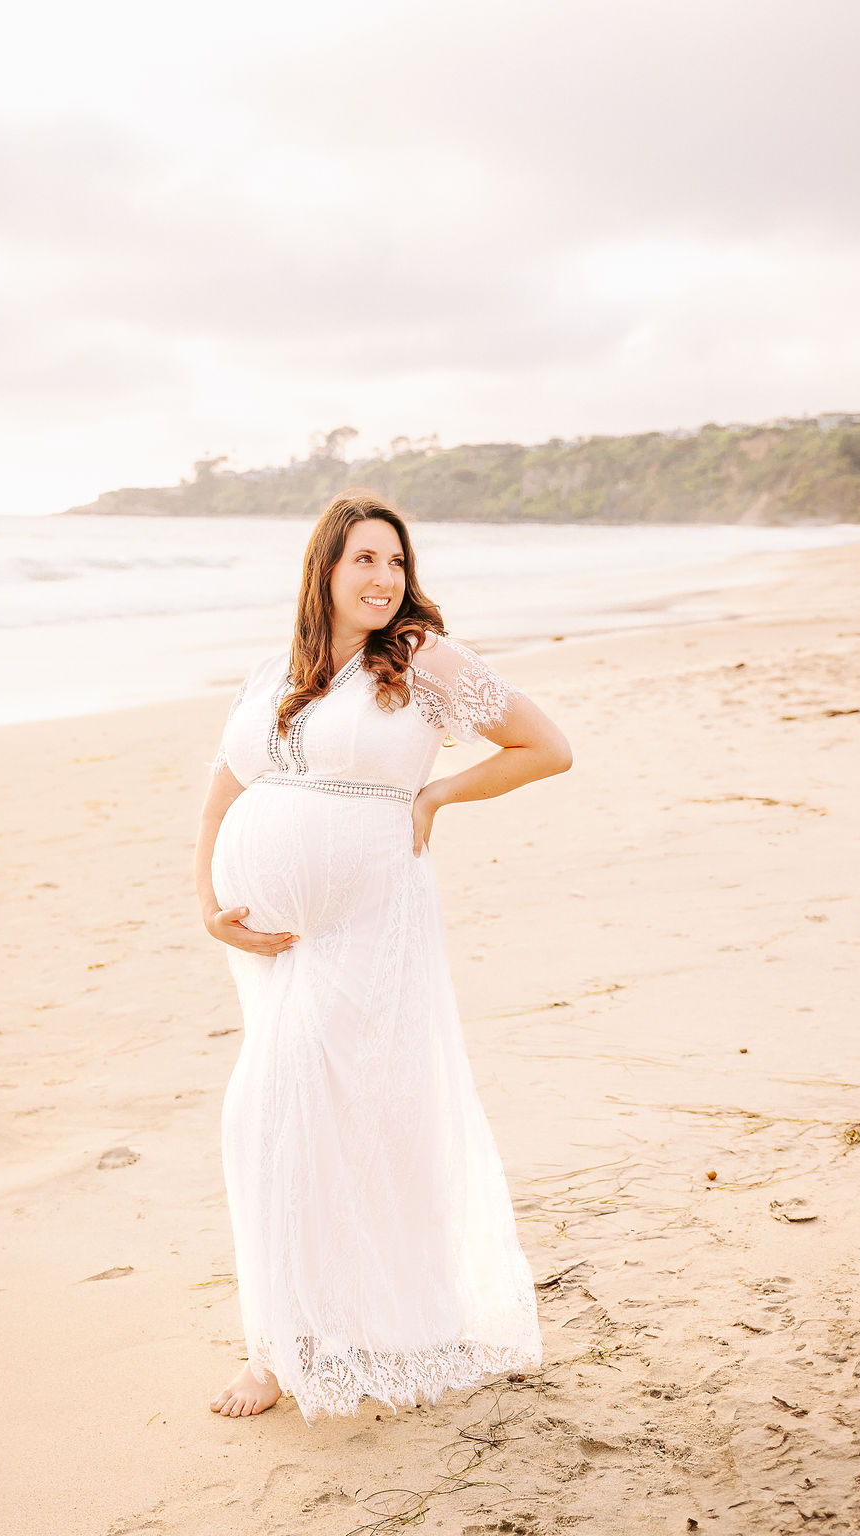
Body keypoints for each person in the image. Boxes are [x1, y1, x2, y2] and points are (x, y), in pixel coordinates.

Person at [195, 492, 572, 1423]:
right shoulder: (274, 670)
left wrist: (438, 796)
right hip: (273, 940)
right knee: (271, 1117)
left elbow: (546, 746)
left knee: (305, 1112)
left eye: (396, 562)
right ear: (324, 568)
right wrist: (209, 904)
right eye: (364, 560)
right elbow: (222, 789)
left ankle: (307, 1340)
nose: (384, 579)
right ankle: (282, 1339)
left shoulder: (418, 657)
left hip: (370, 920)